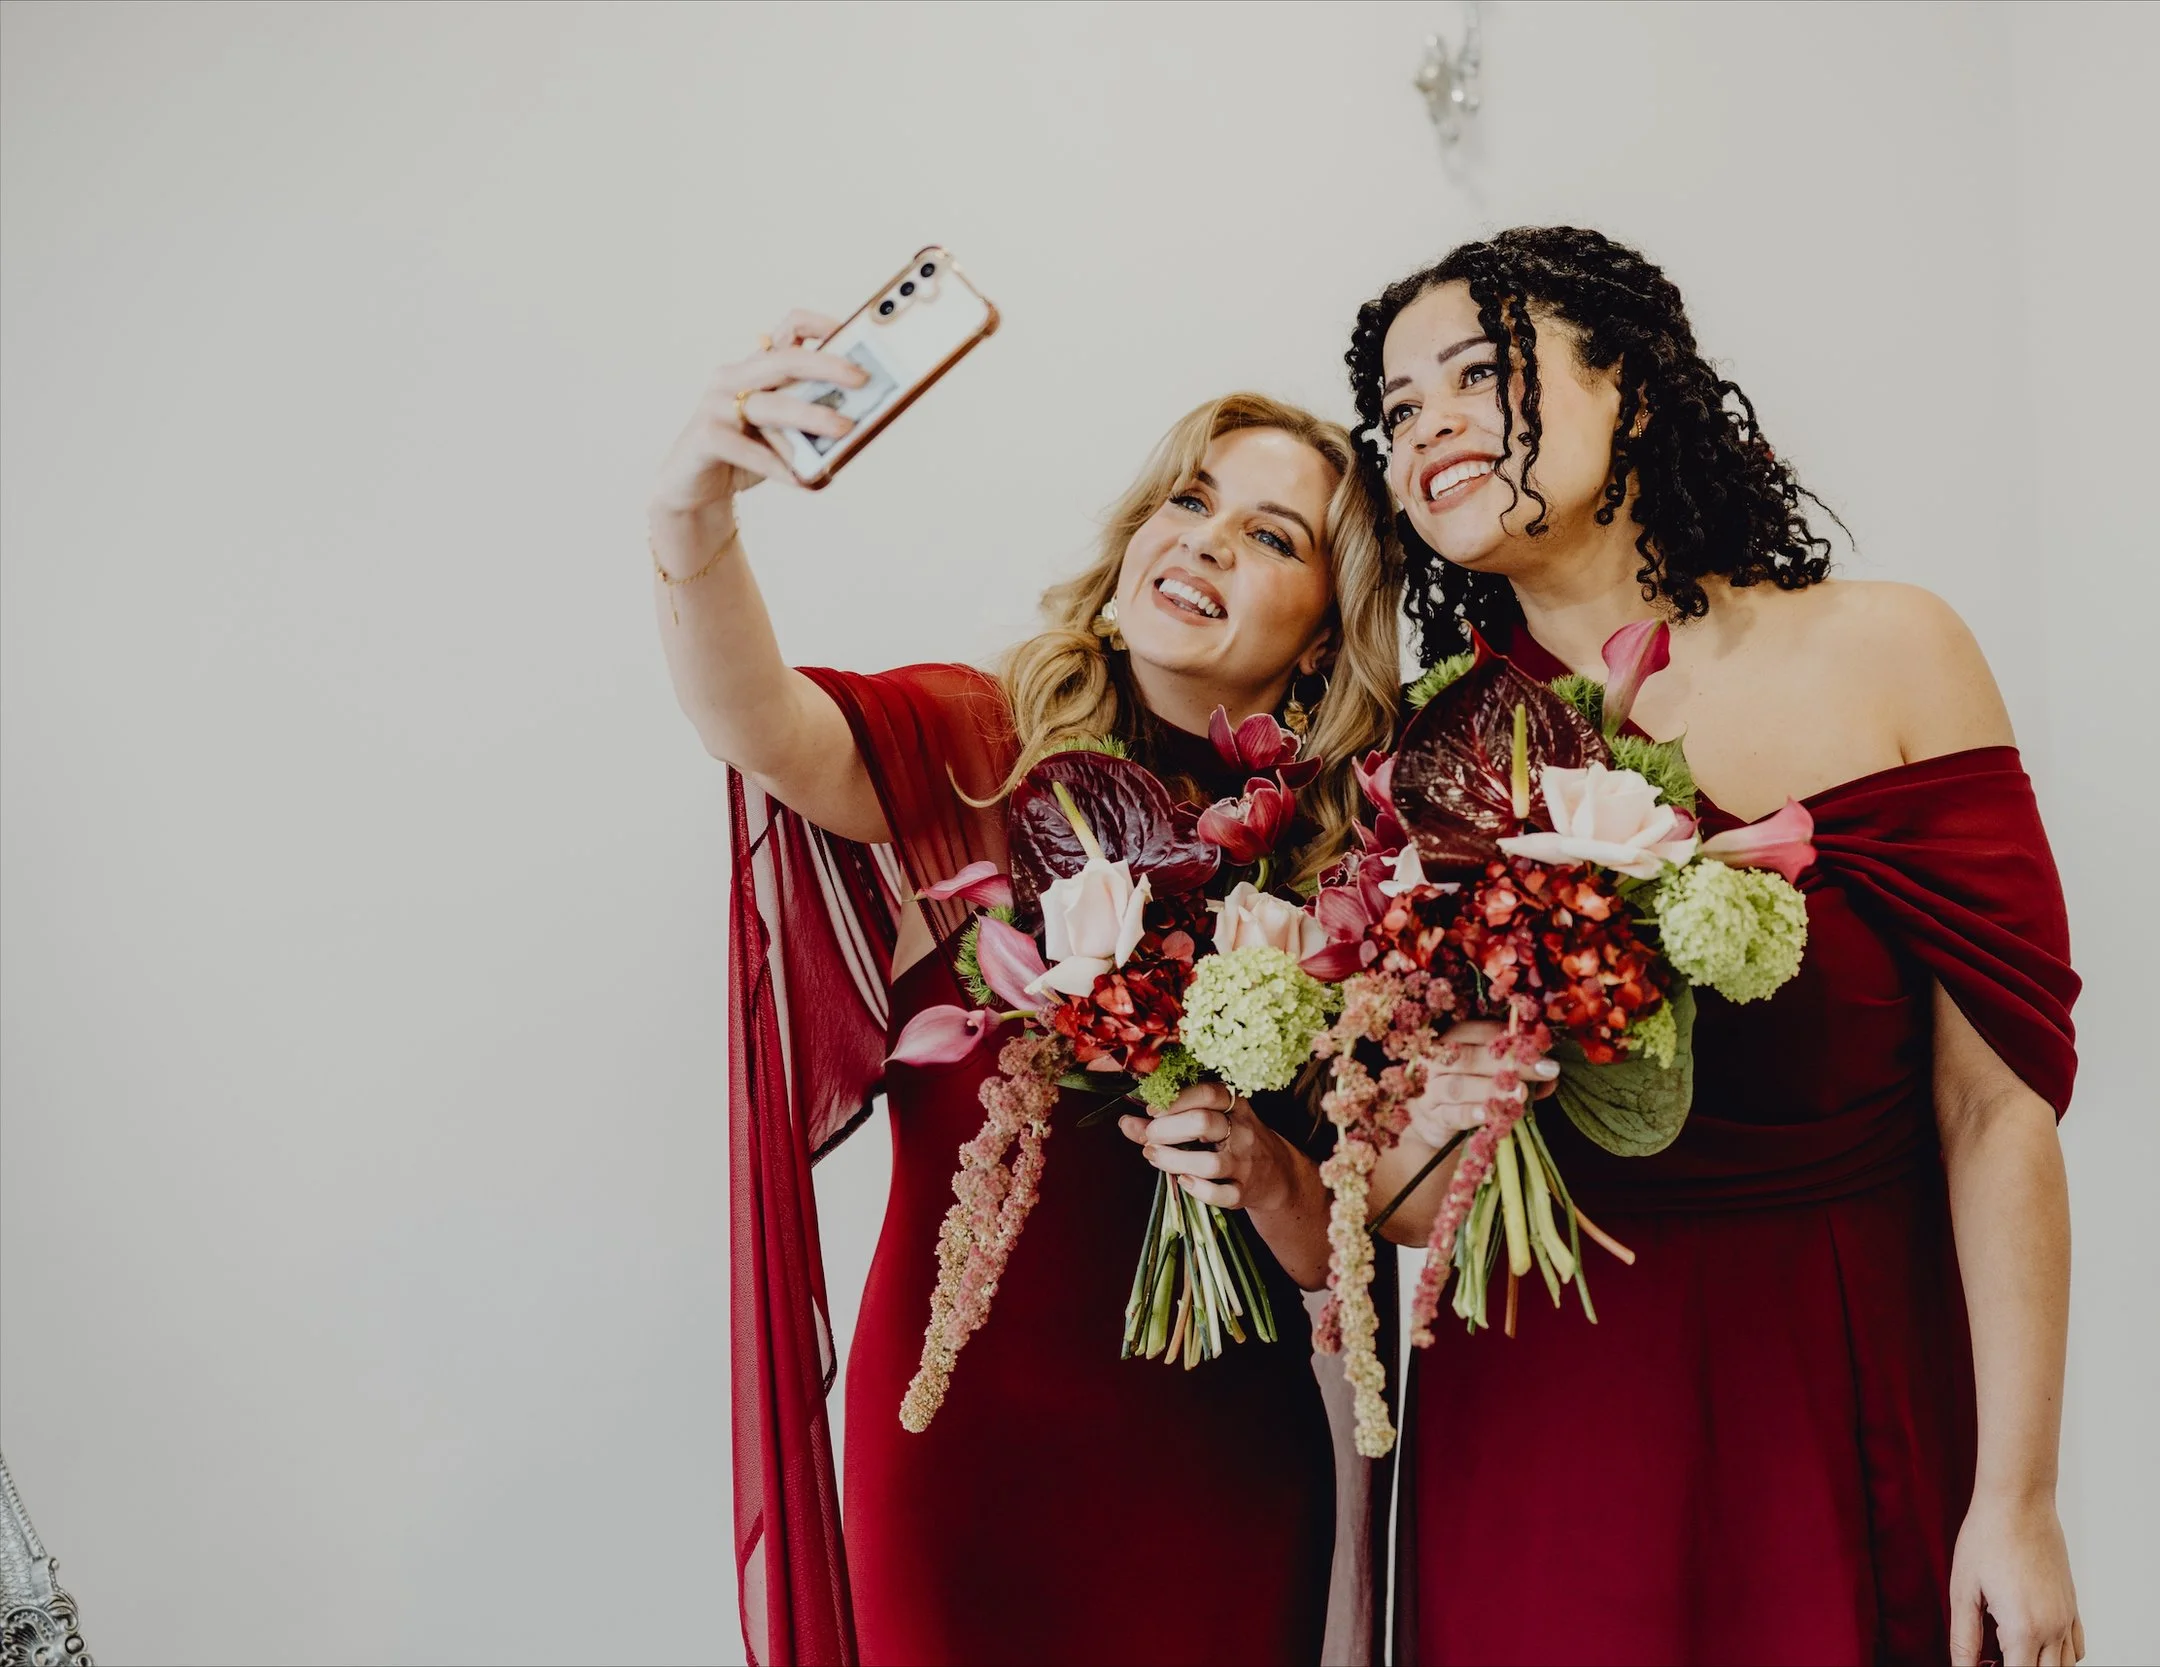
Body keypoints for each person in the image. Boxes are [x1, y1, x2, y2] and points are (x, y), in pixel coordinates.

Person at [1348, 228, 2087, 1667]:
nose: (1421, 421)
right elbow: (1398, 1202)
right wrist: (1427, 1110)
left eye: (1476, 373)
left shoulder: (1893, 652)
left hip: (1837, 1379)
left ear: (1628, 384)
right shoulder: (1429, 757)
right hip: (1539, 1421)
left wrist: (2022, 1495)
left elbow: (1995, 1109)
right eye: (1394, 407)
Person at [649, 311, 1403, 1666]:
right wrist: (693, 508)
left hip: (1220, 1478)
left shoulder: (1348, 861)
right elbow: (753, 717)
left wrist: (1271, 1170)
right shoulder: (974, 750)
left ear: (1321, 641)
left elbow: (1357, 1252)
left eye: (1275, 536)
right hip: (960, 1453)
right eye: (1191, 497)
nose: (1211, 538)